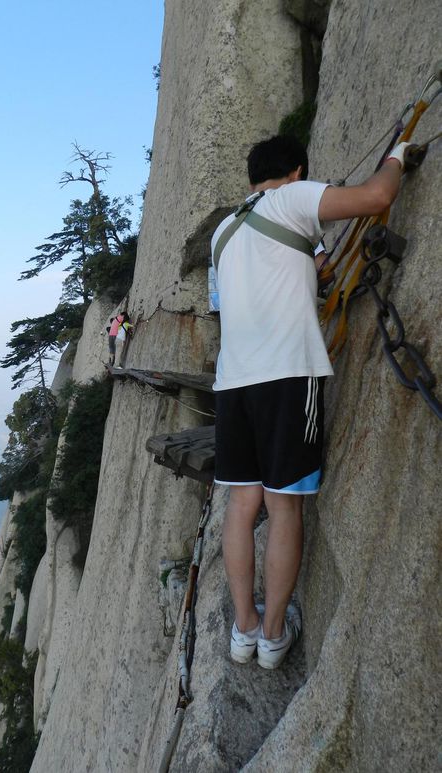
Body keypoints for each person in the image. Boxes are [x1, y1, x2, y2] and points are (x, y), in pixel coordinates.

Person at [212, 134, 409, 669]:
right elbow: (374, 198)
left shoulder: (223, 233)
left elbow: (232, 300)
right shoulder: (292, 199)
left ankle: (244, 628)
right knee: (283, 504)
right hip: (285, 378)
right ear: (296, 172)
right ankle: (274, 635)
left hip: (233, 384)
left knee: (242, 502)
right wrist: (397, 155)